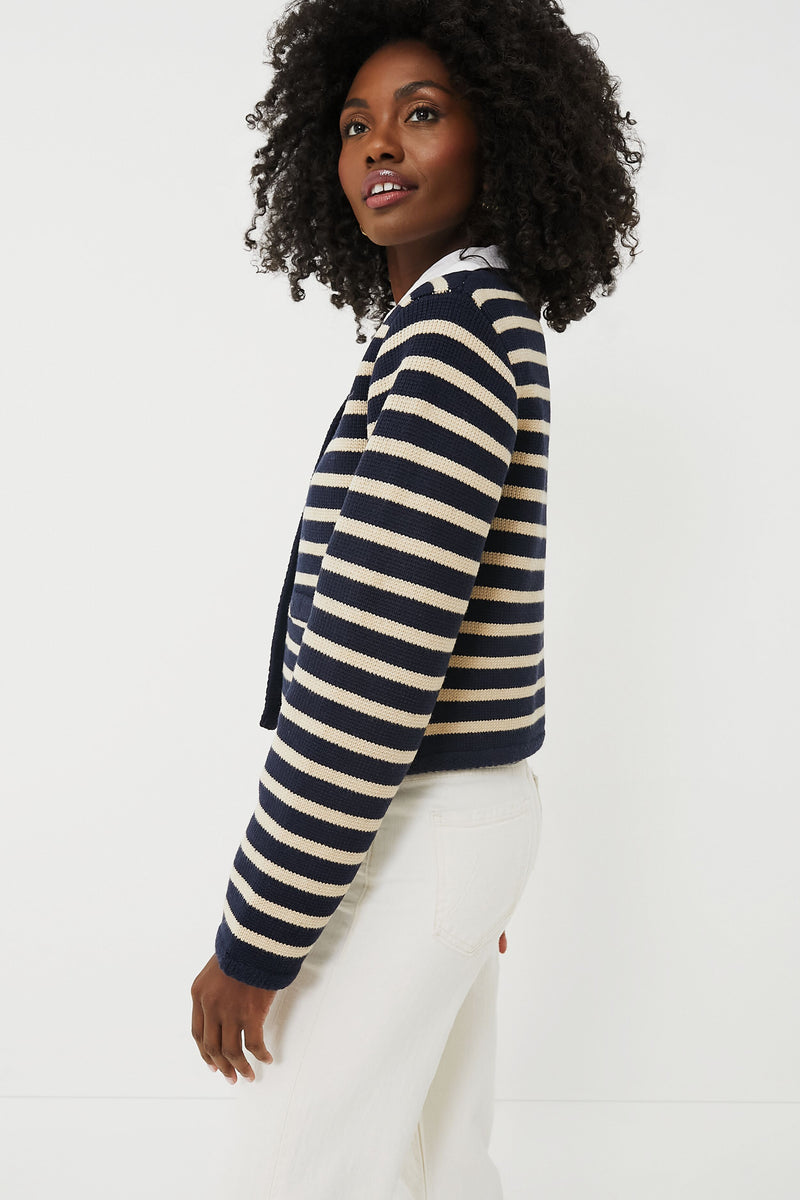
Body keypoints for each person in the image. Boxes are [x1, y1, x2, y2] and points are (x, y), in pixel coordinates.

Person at [190, 1, 643, 1196]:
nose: (378, 145)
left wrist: (255, 939)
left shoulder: (448, 342)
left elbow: (364, 679)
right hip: (449, 817)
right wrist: (467, 870)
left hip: (410, 814)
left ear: (502, 135)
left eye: (422, 113)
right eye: (353, 125)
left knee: (291, 1171)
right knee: (438, 1168)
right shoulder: (471, 324)